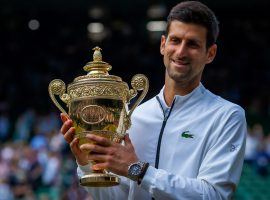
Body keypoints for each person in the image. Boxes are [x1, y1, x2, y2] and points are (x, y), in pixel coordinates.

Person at [60, 1, 247, 199]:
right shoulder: (135, 115)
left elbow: (213, 194)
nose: (181, 52)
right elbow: (117, 196)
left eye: (192, 44)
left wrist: (138, 170)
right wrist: (85, 163)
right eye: (175, 40)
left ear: (210, 53)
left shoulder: (227, 116)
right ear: (163, 45)